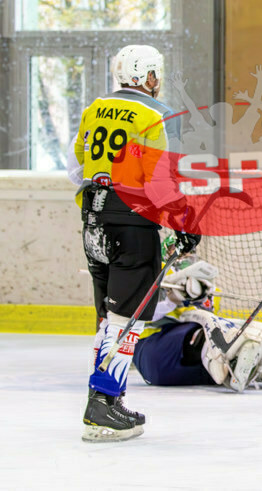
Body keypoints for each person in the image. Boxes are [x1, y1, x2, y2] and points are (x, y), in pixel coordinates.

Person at [66, 44, 200, 443]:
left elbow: (76, 167)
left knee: (108, 317)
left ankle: (110, 397)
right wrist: (183, 219)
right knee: (128, 318)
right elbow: (162, 180)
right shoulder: (157, 115)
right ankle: (102, 404)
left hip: (93, 222)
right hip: (131, 225)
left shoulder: (95, 109)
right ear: (149, 76)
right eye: (157, 74)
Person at [132, 244, 262, 391]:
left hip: (193, 369)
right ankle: (233, 364)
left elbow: (210, 314)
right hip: (152, 348)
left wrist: (201, 297)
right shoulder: (155, 273)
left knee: (257, 331)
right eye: (179, 252)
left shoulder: (207, 285)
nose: (185, 257)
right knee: (204, 334)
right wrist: (172, 299)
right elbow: (137, 313)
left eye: (189, 253)